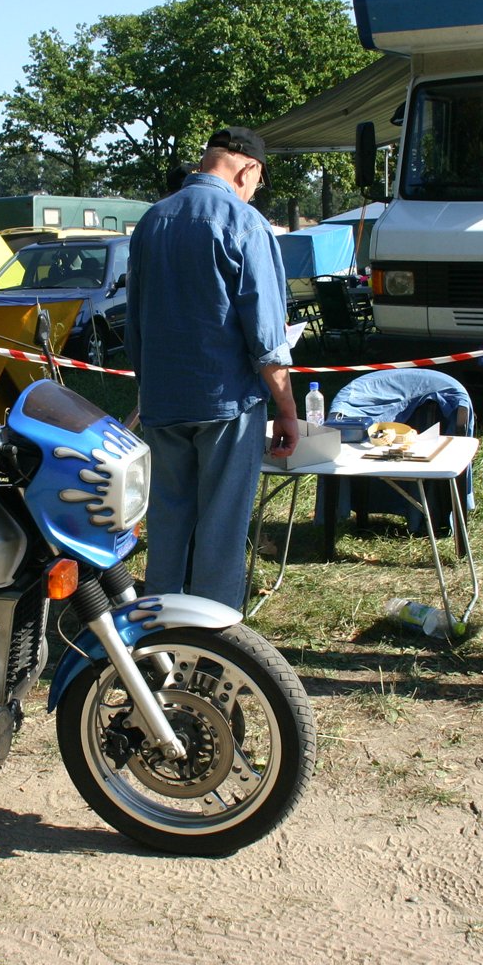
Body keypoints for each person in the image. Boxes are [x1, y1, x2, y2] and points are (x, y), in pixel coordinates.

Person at [126, 127, 299, 611]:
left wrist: (149, 386)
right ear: (248, 169)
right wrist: (287, 411)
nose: (254, 191)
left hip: (162, 400)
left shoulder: (151, 221)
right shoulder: (245, 223)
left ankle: (160, 634)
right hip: (227, 402)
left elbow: (134, 324)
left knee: (167, 525)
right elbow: (268, 340)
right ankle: (215, 637)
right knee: (221, 532)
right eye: (257, 182)